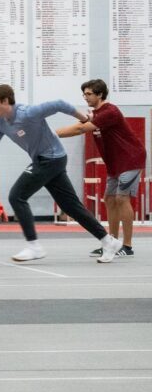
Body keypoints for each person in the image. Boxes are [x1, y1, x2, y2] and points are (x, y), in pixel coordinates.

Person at [0, 84, 123, 263]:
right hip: (46, 161)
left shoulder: (28, 113)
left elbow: (60, 104)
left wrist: (85, 118)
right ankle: (108, 241)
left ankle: (34, 247)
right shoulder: (0, 124)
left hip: (51, 159)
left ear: (5, 101)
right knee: (71, 207)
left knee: (16, 196)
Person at [55, 79, 145, 258]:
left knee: (121, 198)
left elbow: (80, 129)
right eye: (84, 94)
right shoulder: (95, 114)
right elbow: (79, 124)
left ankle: (127, 246)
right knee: (109, 199)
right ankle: (111, 243)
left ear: (100, 94)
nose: (85, 97)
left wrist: (51, 134)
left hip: (132, 158)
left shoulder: (109, 111)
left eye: (89, 94)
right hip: (115, 162)